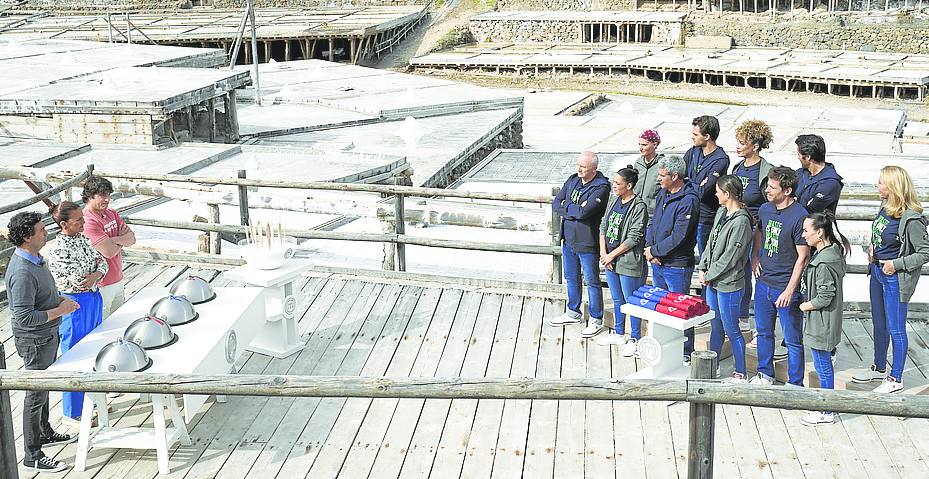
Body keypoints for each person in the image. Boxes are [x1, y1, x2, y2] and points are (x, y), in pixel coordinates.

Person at [5, 211, 79, 472]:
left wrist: (58, 301)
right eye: (40, 229)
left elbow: (42, 295)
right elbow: (24, 317)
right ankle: (32, 455)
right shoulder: (22, 271)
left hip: (47, 335)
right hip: (34, 340)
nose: (46, 231)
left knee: (44, 387)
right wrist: (61, 310)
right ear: (27, 237)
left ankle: (44, 431)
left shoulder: (36, 259)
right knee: (35, 395)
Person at [852, 166, 929, 393]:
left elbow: (925, 252)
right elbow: (882, 235)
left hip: (895, 278)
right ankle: (878, 367)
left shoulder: (912, 218)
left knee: (896, 328)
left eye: (880, 182)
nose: (877, 186)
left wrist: (896, 264)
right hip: (876, 271)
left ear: (893, 186)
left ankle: (896, 378)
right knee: (879, 323)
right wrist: (872, 247)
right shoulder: (885, 207)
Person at [47, 201, 108, 426]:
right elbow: (77, 278)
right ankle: (72, 411)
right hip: (74, 302)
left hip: (92, 298)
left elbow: (103, 263)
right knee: (74, 353)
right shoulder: (57, 250)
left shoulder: (83, 240)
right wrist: (94, 275)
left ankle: (94, 398)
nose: (83, 222)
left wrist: (96, 275)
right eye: (78, 220)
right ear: (64, 224)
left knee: (95, 349)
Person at [750, 166, 810, 386]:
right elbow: (760, 230)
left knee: (793, 340)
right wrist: (755, 256)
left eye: (773, 187)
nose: (767, 190)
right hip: (764, 283)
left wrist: (790, 290)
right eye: (768, 185)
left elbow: (802, 257)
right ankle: (765, 373)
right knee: (763, 333)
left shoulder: (799, 216)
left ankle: (795, 383)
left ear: (787, 190)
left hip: (785, 286)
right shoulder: (765, 209)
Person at [697, 175, 753, 382]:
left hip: (728, 283)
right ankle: (713, 365)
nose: (715, 194)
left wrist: (709, 275)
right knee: (716, 325)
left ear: (727, 194)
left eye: (718, 192)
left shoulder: (741, 222)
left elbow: (731, 256)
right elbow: (711, 241)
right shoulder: (721, 212)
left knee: (732, 328)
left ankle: (741, 371)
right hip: (712, 282)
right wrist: (703, 267)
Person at [644, 155, 700, 364]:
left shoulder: (689, 200)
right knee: (661, 307)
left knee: (680, 309)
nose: (658, 179)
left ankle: (685, 351)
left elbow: (679, 236)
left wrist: (655, 251)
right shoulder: (663, 194)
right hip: (658, 261)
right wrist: (651, 249)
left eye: (662, 175)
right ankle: (664, 346)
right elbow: (652, 222)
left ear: (675, 176)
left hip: (677, 265)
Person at [549, 151, 611, 336]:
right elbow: (557, 203)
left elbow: (586, 213)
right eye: (578, 165)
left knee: (592, 281)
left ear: (593, 168)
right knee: (571, 277)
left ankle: (595, 318)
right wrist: (574, 208)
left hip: (587, 242)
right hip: (568, 239)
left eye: (583, 167)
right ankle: (573, 311)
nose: (579, 169)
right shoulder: (573, 179)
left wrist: (568, 208)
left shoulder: (602, 187)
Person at [798, 211, 849, 425]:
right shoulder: (832, 252)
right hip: (824, 321)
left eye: (806, 231)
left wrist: (805, 306)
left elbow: (825, 296)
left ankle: (826, 411)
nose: (803, 235)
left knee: (823, 366)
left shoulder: (824, 263)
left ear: (819, 233)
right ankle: (824, 406)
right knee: (824, 364)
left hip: (822, 322)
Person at [596, 166, 648, 354]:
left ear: (629, 185)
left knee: (631, 300)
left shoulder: (638, 206)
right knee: (617, 299)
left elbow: (634, 237)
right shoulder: (613, 200)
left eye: (618, 183)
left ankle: (635, 338)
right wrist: (604, 253)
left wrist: (612, 255)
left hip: (627, 261)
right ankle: (619, 333)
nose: (614, 186)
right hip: (610, 258)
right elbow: (603, 225)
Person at [732, 120, 774, 338]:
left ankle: (762, 327)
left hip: (758, 231)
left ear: (755, 145)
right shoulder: (737, 168)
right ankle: (741, 318)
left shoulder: (766, 171)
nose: (737, 146)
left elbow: (771, 204)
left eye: (742, 143)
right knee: (739, 273)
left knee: (759, 275)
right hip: (738, 230)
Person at [82, 175, 135, 318]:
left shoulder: (111, 213)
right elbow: (109, 252)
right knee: (102, 324)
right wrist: (120, 241)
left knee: (121, 320)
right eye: (102, 195)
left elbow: (132, 239)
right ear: (90, 196)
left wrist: (113, 240)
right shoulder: (88, 220)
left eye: (108, 195)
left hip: (118, 278)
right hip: (101, 284)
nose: (107, 199)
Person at [684, 115, 730, 256]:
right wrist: (695, 183)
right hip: (687, 213)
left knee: (706, 256)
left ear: (707, 136)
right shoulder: (692, 152)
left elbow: (704, 192)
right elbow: (678, 180)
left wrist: (688, 181)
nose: (692, 137)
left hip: (705, 218)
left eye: (695, 134)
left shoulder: (721, 159)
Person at [794, 134, 843, 215]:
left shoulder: (830, 183)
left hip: (815, 226)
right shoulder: (800, 173)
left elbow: (810, 211)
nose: (798, 157)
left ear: (808, 157)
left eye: (798, 154)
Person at [632, 129, 664, 218]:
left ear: (655, 144)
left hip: (652, 215)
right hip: (636, 213)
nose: (640, 148)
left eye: (644, 145)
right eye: (639, 144)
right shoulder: (638, 163)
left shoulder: (662, 164)